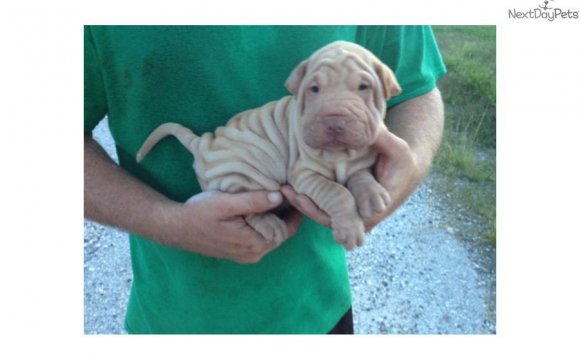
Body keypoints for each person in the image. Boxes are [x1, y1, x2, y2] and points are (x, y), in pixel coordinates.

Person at [84, 25, 446, 334]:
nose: (336, 116)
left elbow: (417, 91)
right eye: (316, 90)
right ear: (300, 85)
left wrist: (404, 166)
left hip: (317, 308)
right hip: (177, 317)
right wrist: (168, 222)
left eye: (363, 88)